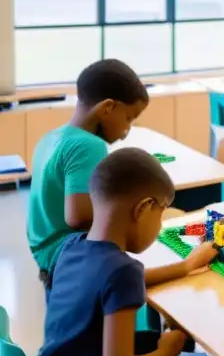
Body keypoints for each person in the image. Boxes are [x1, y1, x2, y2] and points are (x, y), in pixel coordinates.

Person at [31, 148, 222, 356]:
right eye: (161, 214)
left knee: (148, 338)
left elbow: (117, 279)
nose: (160, 224)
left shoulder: (72, 246)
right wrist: (165, 352)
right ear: (143, 208)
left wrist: (184, 267)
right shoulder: (122, 270)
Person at [27, 59, 149, 291]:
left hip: (47, 257)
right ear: (107, 108)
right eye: (128, 119)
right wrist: (132, 216)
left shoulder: (51, 138)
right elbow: (78, 216)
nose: (126, 132)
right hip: (69, 259)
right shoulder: (89, 145)